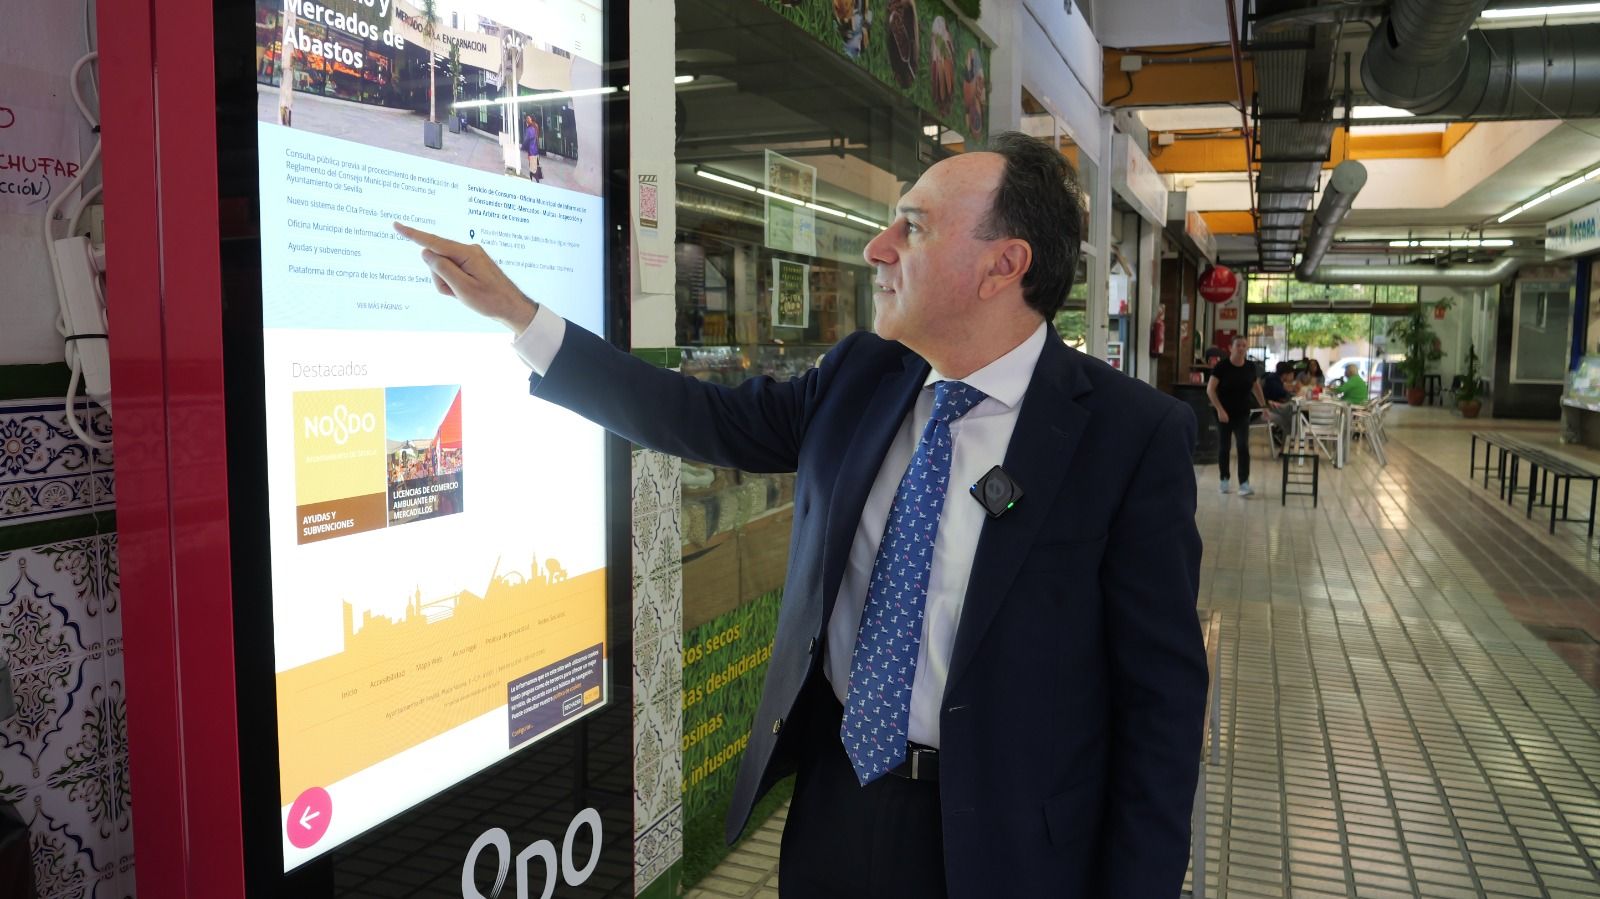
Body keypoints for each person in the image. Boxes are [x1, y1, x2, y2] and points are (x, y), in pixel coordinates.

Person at [394, 131, 1205, 899]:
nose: (876, 247)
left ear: (1004, 265)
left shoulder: (1129, 439)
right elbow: (699, 417)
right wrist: (521, 317)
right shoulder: (864, 376)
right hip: (835, 799)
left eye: (911, 228)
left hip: (1006, 842)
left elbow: (1160, 714)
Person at [1207, 337, 1266, 495]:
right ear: (1230, 348)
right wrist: (1220, 409)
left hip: (1242, 413)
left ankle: (1244, 483)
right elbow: (1210, 390)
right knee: (1225, 446)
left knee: (1243, 446)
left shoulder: (1250, 367)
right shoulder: (1222, 366)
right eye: (1238, 345)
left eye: (1244, 346)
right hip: (1223, 412)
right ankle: (1224, 479)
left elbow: (1256, 387)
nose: (1241, 348)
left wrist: (1264, 406)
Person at [521, 114, 543, 182]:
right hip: (535, 149)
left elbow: (527, 138)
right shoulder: (535, 126)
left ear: (532, 120)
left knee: (533, 166)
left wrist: (523, 146)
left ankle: (536, 179)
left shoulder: (531, 128)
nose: (526, 120)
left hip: (532, 149)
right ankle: (533, 178)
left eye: (528, 118)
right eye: (526, 118)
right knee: (533, 164)